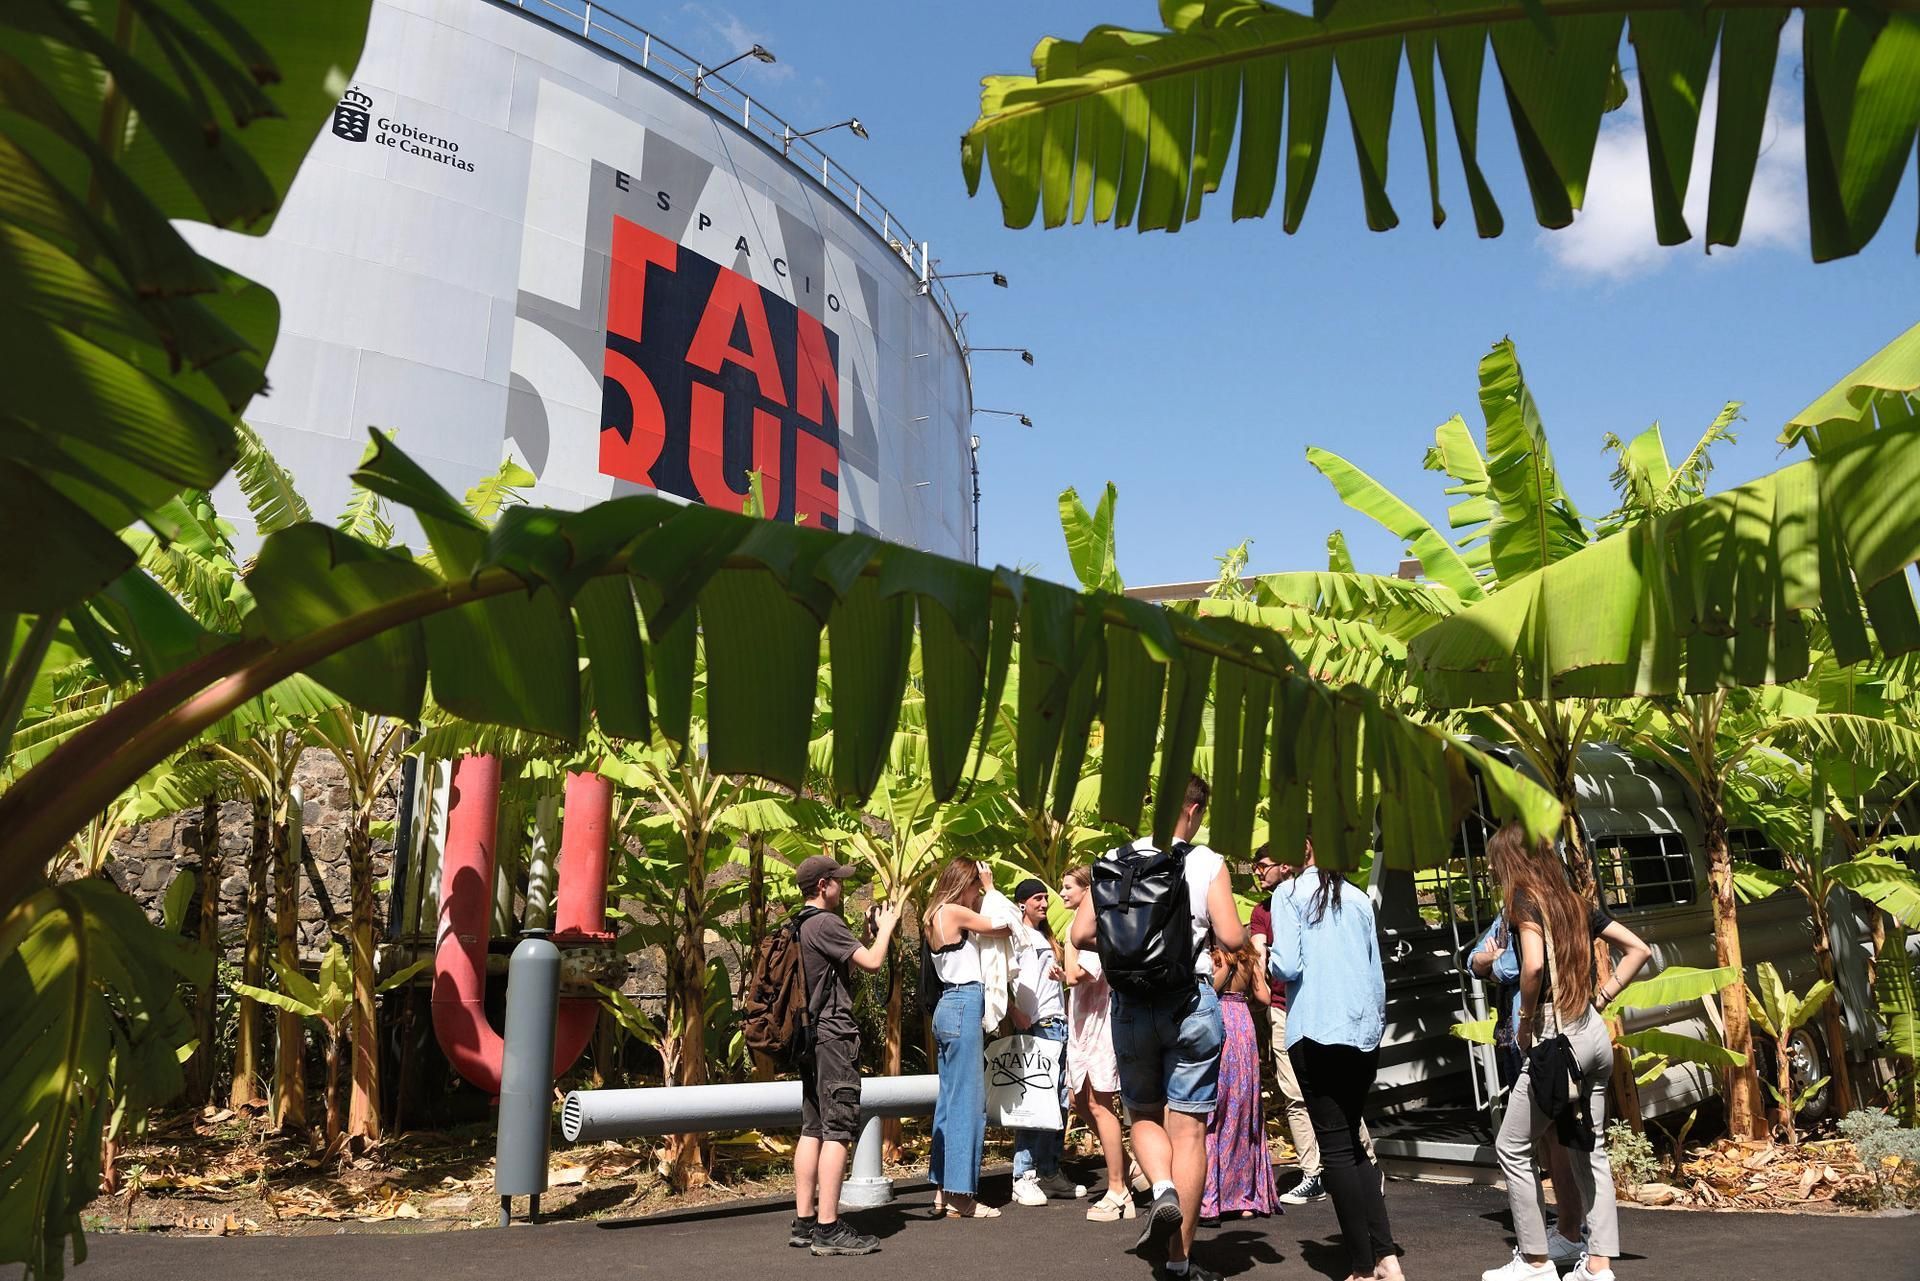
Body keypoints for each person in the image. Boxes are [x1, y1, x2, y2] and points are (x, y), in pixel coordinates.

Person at [1069, 774, 1246, 1281]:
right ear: (1192, 809)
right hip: (1189, 1001)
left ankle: (1161, 1187)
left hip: (1130, 1005)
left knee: (1143, 1113)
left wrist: (1131, 954)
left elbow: (1080, 933)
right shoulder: (1206, 862)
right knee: (1189, 1131)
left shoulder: (1115, 859)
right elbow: (1231, 935)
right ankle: (1178, 1262)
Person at [1482, 825, 1652, 1281]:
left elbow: (1533, 964)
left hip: (1556, 1040)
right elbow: (1639, 949)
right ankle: (1597, 1267)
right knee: (1589, 1149)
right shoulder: (1574, 902)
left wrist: (1523, 1023)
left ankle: (1536, 1262)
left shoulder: (1524, 902)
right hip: (1592, 1034)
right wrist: (1603, 996)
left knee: (1512, 1146)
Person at [1268, 849, 1402, 1281]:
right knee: (1354, 1147)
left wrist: (1268, 956)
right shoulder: (1360, 898)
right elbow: (1375, 975)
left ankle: (1363, 1268)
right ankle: (1385, 1258)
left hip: (1315, 1029)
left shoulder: (1289, 894)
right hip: (1362, 1034)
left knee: (1337, 1151)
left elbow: (1286, 964)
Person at [1249, 843, 1375, 1206]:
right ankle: (1313, 1172)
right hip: (1283, 1009)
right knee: (1294, 1096)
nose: (1259, 872)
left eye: (1264, 866)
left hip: (1322, 1007)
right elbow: (1260, 956)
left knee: (1339, 1097)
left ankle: (1364, 1162)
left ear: (1286, 865)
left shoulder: (1333, 900)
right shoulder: (1264, 910)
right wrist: (1264, 993)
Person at [790, 854, 901, 1257]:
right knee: (838, 1129)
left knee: (812, 1127)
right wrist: (885, 930)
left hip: (808, 1037)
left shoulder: (797, 924)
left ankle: (804, 1221)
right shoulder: (826, 923)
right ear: (823, 885)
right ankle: (828, 1228)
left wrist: (870, 932)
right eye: (838, 880)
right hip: (834, 1037)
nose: (844, 886)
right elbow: (872, 963)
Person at [1470, 912, 1587, 1267]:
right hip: (1510, 1035)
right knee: (1545, 1139)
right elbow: (1472, 961)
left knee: (1552, 1133)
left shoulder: (1531, 911)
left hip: (1536, 1035)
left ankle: (1566, 1233)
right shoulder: (1505, 916)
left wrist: (1495, 959)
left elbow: (1511, 969)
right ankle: (1562, 1230)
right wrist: (1492, 958)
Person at [924, 857, 1013, 1219]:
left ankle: (943, 1189)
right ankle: (963, 1195)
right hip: (963, 1003)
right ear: (966, 884)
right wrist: (992, 889)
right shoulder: (955, 912)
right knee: (969, 1103)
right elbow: (1006, 926)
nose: (978, 894)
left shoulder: (933, 915)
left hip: (948, 1005)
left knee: (948, 1101)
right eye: (975, 887)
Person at [1009, 877, 1089, 1206]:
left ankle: (1049, 1170)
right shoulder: (1015, 934)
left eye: (1046, 898)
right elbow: (1000, 975)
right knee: (1033, 1104)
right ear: (1023, 903)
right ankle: (1022, 1175)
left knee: (1058, 1103)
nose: (1044, 904)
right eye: (1037, 899)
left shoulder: (1047, 937)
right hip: (1035, 1026)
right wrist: (1014, 1013)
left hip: (1057, 1024)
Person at [1060, 864, 1134, 1222]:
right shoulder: (1084, 930)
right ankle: (1126, 1163)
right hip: (1081, 1027)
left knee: (1102, 1103)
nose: (1062, 894)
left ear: (1088, 892)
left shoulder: (1094, 931)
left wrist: (1067, 945)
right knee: (1079, 1100)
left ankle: (1119, 1189)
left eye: (1069, 887)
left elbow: (1077, 975)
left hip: (1099, 1027)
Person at [1200, 937, 1276, 1223]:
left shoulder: (1220, 959)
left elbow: (1211, 989)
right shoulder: (1250, 958)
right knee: (1243, 1109)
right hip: (1244, 1025)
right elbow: (1265, 997)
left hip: (1221, 1023)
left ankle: (1211, 1199)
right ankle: (1245, 1198)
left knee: (1217, 1111)